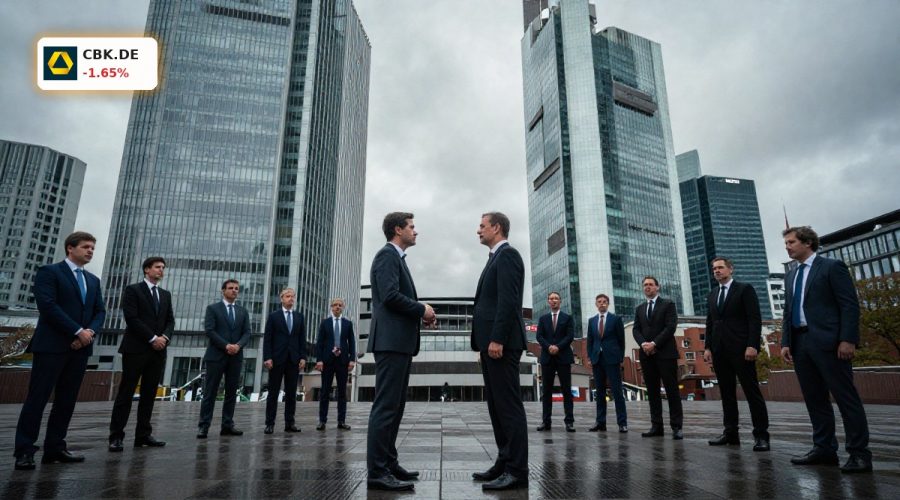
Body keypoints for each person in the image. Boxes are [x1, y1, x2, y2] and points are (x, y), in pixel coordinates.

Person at [781, 226, 871, 473]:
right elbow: (788, 311)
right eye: (786, 243)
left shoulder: (831, 267)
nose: (787, 247)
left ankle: (859, 454)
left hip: (830, 343)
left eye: (791, 242)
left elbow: (849, 305)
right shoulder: (791, 275)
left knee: (845, 398)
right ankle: (824, 448)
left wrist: (848, 339)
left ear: (808, 243)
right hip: (800, 343)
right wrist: (786, 342)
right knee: (814, 399)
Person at [14, 232, 106, 470]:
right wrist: (77, 331)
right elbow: (48, 306)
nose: (90, 251)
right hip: (52, 346)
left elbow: (100, 311)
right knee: (37, 399)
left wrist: (88, 333)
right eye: (86, 247)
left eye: (93, 248)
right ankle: (24, 450)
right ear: (70, 248)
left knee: (66, 400)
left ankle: (55, 447)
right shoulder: (50, 272)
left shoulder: (93, 280)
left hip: (80, 349)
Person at [366, 212, 435, 491]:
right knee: (386, 407)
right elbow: (390, 296)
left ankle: (389, 463)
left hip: (399, 343)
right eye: (411, 227)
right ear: (398, 230)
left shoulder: (397, 258)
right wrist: (421, 309)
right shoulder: (387, 256)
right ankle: (378, 472)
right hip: (390, 342)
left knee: (395, 407)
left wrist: (421, 313)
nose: (415, 231)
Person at [470, 212, 529, 491]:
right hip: (491, 345)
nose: (478, 230)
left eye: (482, 226)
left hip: (502, 344)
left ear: (496, 228)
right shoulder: (494, 257)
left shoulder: (508, 255)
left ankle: (517, 471)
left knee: (508, 407)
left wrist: (496, 339)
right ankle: (504, 462)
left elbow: (508, 301)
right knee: (496, 407)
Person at [108, 256, 175, 452]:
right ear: (147, 269)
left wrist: (164, 338)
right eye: (157, 267)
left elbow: (170, 320)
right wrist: (152, 338)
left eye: (163, 267)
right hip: (136, 349)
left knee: (149, 394)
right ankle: (116, 436)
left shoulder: (165, 294)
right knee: (126, 393)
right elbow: (132, 318)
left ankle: (143, 435)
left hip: (158, 351)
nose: (161, 270)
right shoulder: (133, 290)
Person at [702, 257, 769, 451]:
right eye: (714, 268)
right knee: (726, 393)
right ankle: (730, 433)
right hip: (719, 350)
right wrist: (707, 347)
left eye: (720, 267)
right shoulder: (712, 294)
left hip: (741, 349)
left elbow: (754, 319)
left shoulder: (744, 289)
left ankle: (761, 436)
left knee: (751, 391)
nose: (717, 271)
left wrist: (752, 345)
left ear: (730, 269)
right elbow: (710, 322)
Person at [196, 279, 250, 439]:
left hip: (236, 357)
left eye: (236, 288)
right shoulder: (213, 309)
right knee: (210, 392)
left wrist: (238, 346)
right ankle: (204, 426)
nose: (234, 291)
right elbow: (210, 330)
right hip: (216, 356)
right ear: (223, 290)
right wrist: (226, 345)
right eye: (231, 288)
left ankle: (227, 425)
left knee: (231, 392)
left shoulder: (242, 311)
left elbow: (247, 332)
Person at [633, 275, 683, 440]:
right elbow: (636, 329)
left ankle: (676, 427)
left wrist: (654, 343)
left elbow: (670, 327)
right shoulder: (640, 308)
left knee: (671, 390)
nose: (647, 287)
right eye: (645, 285)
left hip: (665, 353)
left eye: (650, 284)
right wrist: (643, 344)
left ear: (657, 287)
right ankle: (656, 426)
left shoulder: (668, 304)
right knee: (652, 392)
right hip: (646, 355)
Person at [262, 288, 307, 434]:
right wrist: (267, 357)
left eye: (293, 297)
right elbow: (268, 339)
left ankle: (290, 423)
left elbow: (302, 339)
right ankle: (270, 423)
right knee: (273, 393)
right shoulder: (274, 316)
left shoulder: (299, 317)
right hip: (276, 359)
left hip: (293, 360)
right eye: (288, 296)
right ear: (282, 298)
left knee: (291, 393)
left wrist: (303, 357)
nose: (291, 299)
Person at [586, 294, 628, 433]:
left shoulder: (615, 319)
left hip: (612, 359)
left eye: (604, 302)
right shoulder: (592, 321)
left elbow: (621, 340)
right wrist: (590, 357)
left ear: (608, 304)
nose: (602, 304)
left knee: (617, 392)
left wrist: (620, 357)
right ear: (596, 304)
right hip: (597, 360)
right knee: (600, 392)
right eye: (599, 302)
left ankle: (622, 423)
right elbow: (590, 341)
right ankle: (600, 422)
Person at [535, 291, 575, 432]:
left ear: (560, 301)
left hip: (563, 357)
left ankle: (569, 422)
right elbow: (539, 336)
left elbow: (570, 336)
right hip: (547, 358)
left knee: (566, 390)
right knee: (546, 391)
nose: (553, 301)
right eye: (551, 299)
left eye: (556, 298)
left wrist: (558, 347)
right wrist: (549, 347)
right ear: (548, 302)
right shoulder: (543, 319)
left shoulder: (567, 318)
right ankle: (546, 422)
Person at [315, 298, 355, 431]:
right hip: (327, 361)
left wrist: (352, 359)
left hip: (343, 361)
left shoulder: (348, 324)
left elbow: (352, 342)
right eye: (335, 305)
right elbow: (320, 343)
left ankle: (341, 421)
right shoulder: (325, 323)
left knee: (342, 392)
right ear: (331, 307)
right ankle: (322, 421)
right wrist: (319, 360)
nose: (337, 307)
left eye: (340, 305)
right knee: (325, 392)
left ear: (343, 307)